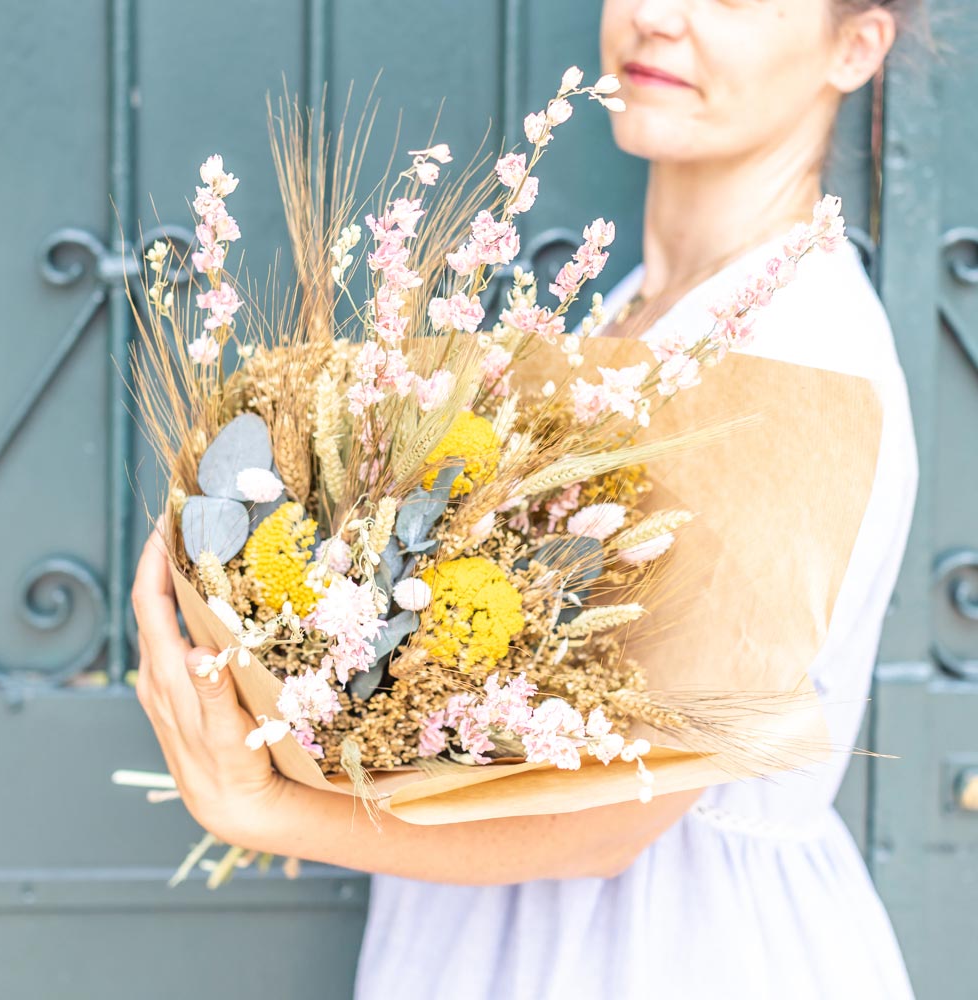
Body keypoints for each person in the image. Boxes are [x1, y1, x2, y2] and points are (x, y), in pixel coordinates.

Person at [131, 1, 920, 996]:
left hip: (663, 953)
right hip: (498, 933)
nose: (657, 17)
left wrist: (260, 805)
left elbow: (616, 820)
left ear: (853, 45)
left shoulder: (803, 361)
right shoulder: (641, 304)